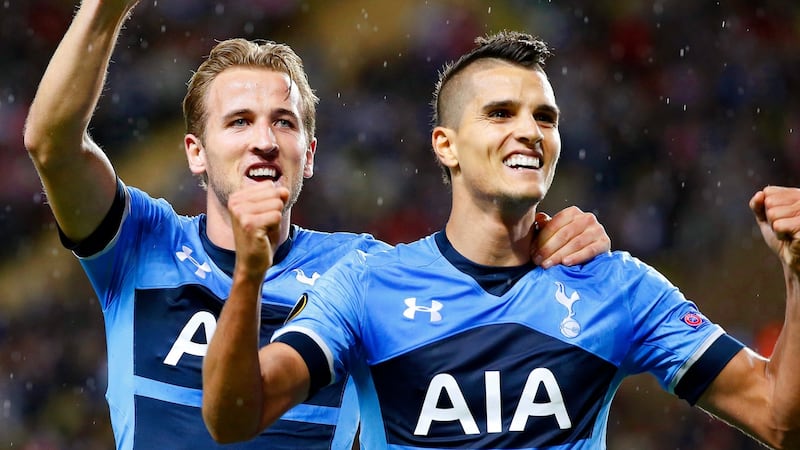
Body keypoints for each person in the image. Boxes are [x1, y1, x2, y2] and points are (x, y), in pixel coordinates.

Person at [21, 1, 611, 448]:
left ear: (309, 155)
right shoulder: (142, 245)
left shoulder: (361, 271)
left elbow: (480, 281)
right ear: (196, 153)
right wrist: (105, 9)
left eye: (283, 123)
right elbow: (51, 145)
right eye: (239, 122)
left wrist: (553, 238)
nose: (263, 142)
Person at [202, 30, 800, 449]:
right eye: (500, 113)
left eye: (545, 117)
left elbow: (780, 422)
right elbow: (235, 416)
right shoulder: (366, 288)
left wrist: (798, 276)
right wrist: (250, 276)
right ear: (446, 145)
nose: (529, 131)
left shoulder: (617, 285)